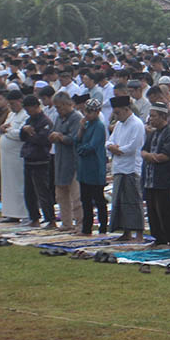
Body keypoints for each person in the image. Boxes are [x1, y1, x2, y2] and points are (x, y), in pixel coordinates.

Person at [107, 95, 146, 243]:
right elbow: (109, 141)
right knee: (120, 201)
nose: (116, 116)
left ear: (126, 109)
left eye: (118, 113)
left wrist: (117, 149)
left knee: (133, 201)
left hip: (131, 168)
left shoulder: (137, 124)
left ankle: (139, 234)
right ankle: (126, 232)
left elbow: (134, 146)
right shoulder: (119, 124)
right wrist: (111, 147)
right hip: (119, 167)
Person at [141, 102, 170, 248]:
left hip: (164, 179)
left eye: (153, 116)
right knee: (152, 211)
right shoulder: (153, 134)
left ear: (163, 116)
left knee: (166, 210)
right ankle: (159, 239)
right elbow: (143, 151)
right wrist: (151, 156)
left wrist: (150, 157)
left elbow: (166, 155)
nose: (151, 119)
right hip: (151, 179)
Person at [49, 91, 83, 232]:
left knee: (76, 196)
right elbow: (53, 132)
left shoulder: (77, 118)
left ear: (66, 104)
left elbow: (75, 139)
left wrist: (61, 137)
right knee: (61, 194)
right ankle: (66, 223)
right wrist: (53, 136)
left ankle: (81, 224)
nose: (58, 110)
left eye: (59, 107)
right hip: (60, 160)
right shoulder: (59, 118)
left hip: (74, 161)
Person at [20, 95, 56, 228]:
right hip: (29, 158)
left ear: (36, 106)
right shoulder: (29, 120)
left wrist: (31, 133)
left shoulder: (45, 121)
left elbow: (43, 140)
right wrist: (25, 131)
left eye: (29, 109)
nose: (28, 112)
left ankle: (50, 219)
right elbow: (22, 137)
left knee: (43, 192)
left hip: (41, 160)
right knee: (28, 192)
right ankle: (34, 217)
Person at [76, 98, 108, 236]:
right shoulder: (87, 125)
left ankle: (103, 228)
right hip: (84, 168)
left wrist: (79, 148)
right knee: (85, 200)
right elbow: (76, 140)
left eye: (90, 112)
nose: (87, 114)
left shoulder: (99, 126)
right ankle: (86, 228)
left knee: (99, 200)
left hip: (95, 167)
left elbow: (91, 146)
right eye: (86, 111)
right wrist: (81, 129)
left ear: (98, 112)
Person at [0, 90, 29, 222]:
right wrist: (2, 130)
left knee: (18, 185)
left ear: (20, 101)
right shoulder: (11, 114)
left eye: (13, 104)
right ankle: (11, 213)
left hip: (17, 156)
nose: (11, 107)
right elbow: (1, 130)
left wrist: (7, 130)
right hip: (6, 157)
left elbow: (21, 134)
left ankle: (23, 214)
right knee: (7, 185)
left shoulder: (25, 115)